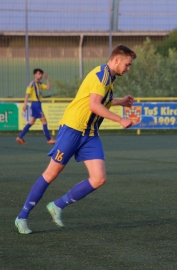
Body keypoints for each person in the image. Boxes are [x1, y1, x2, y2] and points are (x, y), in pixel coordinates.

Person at [15, 45, 136, 234]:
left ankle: (57, 205)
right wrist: (120, 119)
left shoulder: (109, 78)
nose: (128, 69)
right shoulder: (102, 75)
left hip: (89, 134)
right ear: (116, 60)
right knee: (51, 174)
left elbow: (102, 100)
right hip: (72, 129)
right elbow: (95, 105)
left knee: (99, 178)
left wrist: (120, 102)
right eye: (127, 64)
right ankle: (22, 217)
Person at [16, 68, 56, 145]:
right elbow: (27, 94)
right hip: (36, 105)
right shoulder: (32, 84)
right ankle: (49, 139)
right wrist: (24, 104)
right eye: (38, 74)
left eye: (41, 74)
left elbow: (48, 88)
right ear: (35, 74)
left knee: (31, 122)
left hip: (37, 105)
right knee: (44, 121)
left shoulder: (39, 84)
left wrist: (47, 79)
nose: (40, 75)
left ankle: (20, 137)